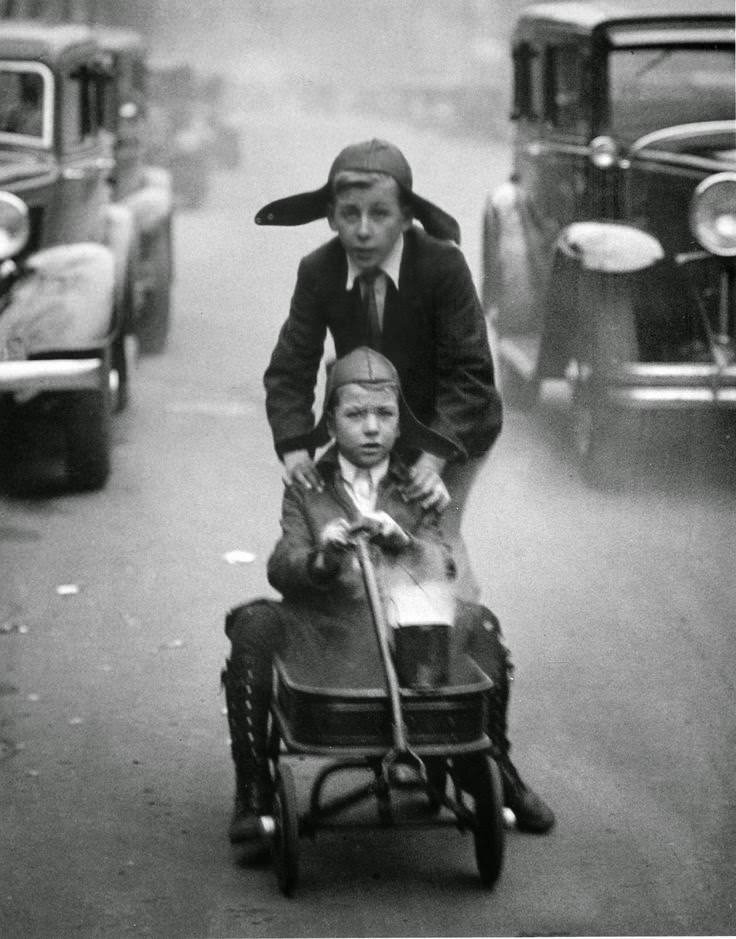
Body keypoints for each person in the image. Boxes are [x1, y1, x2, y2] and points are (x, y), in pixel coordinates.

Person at [222, 348, 554, 845]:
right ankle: (252, 792)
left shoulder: (418, 486)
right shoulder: (308, 486)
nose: (372, 428)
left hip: (409, 637)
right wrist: (324, 556)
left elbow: (443, 565)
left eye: (385, 415)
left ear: (401, 424)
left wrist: (404, 542)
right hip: (329, 632)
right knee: (253, 625)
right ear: (331, 423)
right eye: (355, 415)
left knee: (481, 623)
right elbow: (281, 565)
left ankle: (494, 765)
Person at [257, 138, 502, 601]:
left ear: (406, 217)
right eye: (350, 214)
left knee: (434, 534)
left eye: (380, 214)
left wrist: (432, 460)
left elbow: (469, 373)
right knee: (350, 532)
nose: (364, 231)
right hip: (373, 416)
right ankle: (365, 646)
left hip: (452, 425)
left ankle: (463, 642)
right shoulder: (318, 270)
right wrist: (293, 448)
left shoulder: (442, 266)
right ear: (331, 217)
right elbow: (291, 367)